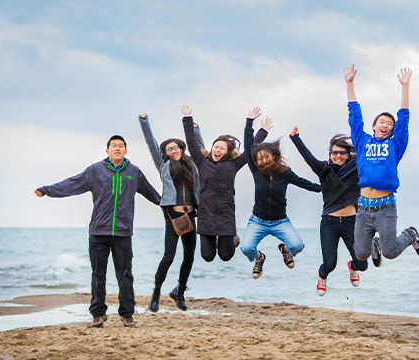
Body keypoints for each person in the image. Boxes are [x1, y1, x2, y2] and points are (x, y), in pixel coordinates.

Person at [34, 135, 161, 328]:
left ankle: (127, 315)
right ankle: (98, 315)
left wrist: (169, 207)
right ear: (107, 150)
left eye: (121, 146)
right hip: (98, 232)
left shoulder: (134, 172)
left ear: (126, 151)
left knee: (125, 275)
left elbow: (151, 193)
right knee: (98, 275)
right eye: (113, 146)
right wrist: (46, 190)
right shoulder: (96, 170)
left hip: (123, 232)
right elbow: (73, 183)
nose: (117, 148)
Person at [343, 64, 419, 269]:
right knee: (360, 253)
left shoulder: (395, 145)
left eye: (389, 123)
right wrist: (350, 83)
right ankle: (374, 244)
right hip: (363, 207)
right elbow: (354, 116)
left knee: (390, 252)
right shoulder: (362, 142)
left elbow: (404, 120)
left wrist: (405, 87)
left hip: (386, 208)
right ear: (374, 126)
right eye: (382, 121)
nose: (385, 124)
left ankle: (411, 234)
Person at [181, 105, 268, 263]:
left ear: (228, 152)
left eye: (222, 148)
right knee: (207, 257)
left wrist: (255, 127)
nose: (218, 150)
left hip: (226, 216)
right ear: (212, 148)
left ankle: (232, 237)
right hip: (206, 216)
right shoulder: (202, 162)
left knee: (226, 256)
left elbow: (250, 148)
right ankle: (216, 240)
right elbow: (192, 143)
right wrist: (187, 119)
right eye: (216, 146)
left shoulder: (233, 164)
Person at [240, 111, 321, 279]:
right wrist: (249, 123)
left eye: (266, 156)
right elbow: (249, 146)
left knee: (297, 246)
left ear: (274, 155)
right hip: (258, 221)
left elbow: (302, 182)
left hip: (280, 221)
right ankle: (259, 258)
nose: (263, 161)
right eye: (260, 159)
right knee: (246, 248)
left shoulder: (284, 172)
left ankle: (285, 250)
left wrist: (323, 188)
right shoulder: (256, 170)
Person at [289, 128, 367, 296]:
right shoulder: (323, 169)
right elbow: (308, 158)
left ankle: (352, 267)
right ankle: (322, 276)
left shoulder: (355, 167)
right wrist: (296, 139)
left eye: (342, 153)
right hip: (329, 224)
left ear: (348, 155)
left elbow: (364, 148)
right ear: (330, 154)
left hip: (351, 223)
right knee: (330, 264)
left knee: (362, 265)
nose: (338, 156)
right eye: (334, 153)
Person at [139, 112, 200, 313]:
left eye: (176, 147)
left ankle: (179, 291)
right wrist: (145, 122)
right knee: (168, 256)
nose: (173, 150)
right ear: (165, 152)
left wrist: (196, 130)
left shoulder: (192, 164)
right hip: (172, 216)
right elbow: (151, 143)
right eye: (169, 148)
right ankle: (156, 292)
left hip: (190, 215)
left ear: (181, 149)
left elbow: (199, 149)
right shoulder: (163, 164)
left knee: (189, 257)